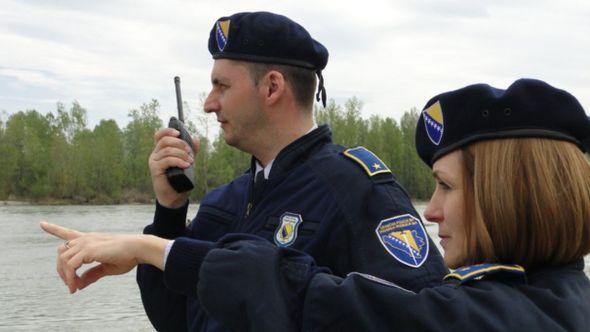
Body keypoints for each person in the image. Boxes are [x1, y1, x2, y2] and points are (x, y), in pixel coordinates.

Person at [40, 11, 447, 332]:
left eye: (222, 86)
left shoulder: (356, 189)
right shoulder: (226, 201)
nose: (209, 104)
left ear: (272, 88)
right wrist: (168, 211)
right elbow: (175, 320)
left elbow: (423, 314)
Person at [195, 78, 590, 331]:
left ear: (508, 195)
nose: (430, 211)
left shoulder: (497, 318)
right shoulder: (561, 299)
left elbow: (362, 312)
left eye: (446, 186)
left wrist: (165, 252)